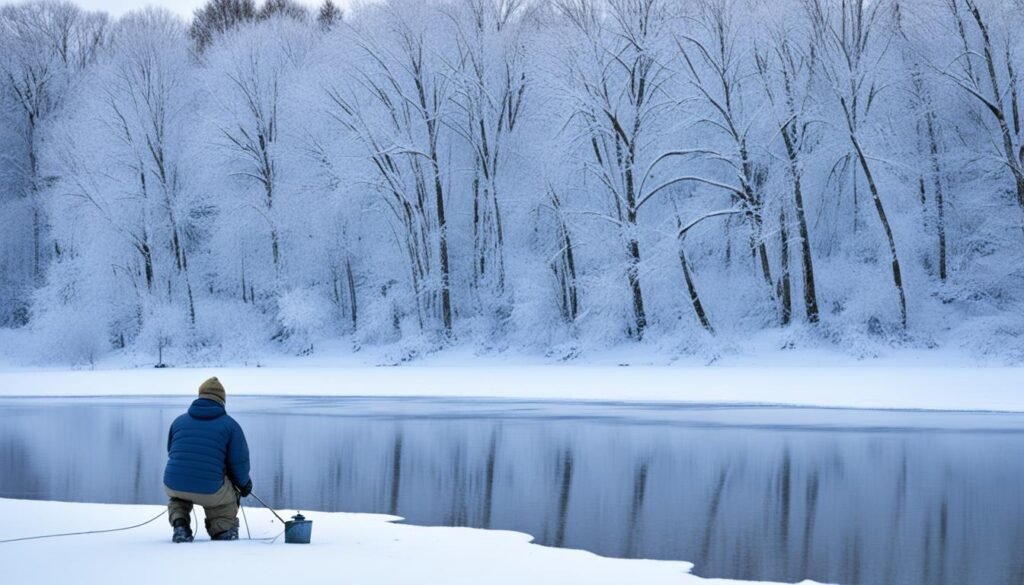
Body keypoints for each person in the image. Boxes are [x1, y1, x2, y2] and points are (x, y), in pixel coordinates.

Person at [163, 377, 252, 542]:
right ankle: (223, 530)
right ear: (222, 400)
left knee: (178, 498)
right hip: (210, 489)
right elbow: (239, 462)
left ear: (200, 396)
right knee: (225, 501)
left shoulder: (178, 421)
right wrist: (243, 484)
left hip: (174, 483)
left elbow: (172, 452)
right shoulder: (230, 426)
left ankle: (180, 525)